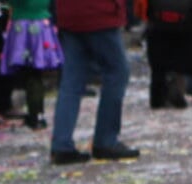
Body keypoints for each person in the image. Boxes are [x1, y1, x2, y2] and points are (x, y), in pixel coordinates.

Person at [50, 0, 140, 164]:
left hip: (69, 14)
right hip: (100, 12)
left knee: (71, 80)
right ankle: (105, 140)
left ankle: (61, 145)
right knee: (117, 72)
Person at [0, 0, 64, 129]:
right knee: (36, 72)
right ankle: (38, 114)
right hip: (42, 24)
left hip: (22, 26)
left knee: (31, 74)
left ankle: (35, 115)